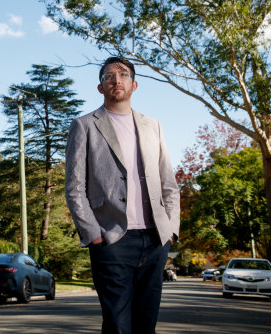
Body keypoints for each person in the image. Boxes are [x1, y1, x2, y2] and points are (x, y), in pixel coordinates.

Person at [65, 56, 180, 334]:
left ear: (134, 84)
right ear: (100, 87)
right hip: (111, 238)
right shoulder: (84, 125)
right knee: (118, 324)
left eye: (124, 75)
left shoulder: (153, 125)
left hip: (154, 239)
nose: (116, 80)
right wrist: (93, 233)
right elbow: (74, 187)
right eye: (109, 76)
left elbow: (168, 182)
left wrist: (171, 230)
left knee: (146, 324)